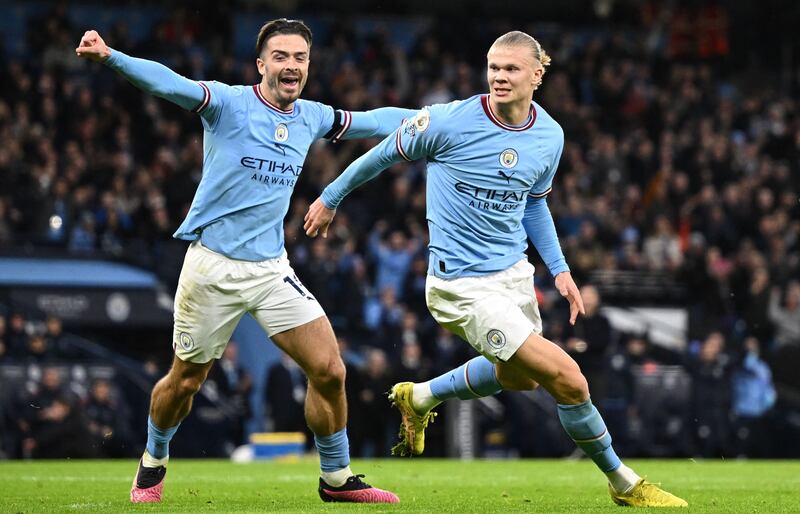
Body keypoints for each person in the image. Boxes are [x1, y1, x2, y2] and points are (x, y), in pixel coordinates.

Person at [305, 31, 687, 507]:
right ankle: (624, 482)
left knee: (519, 378)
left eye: (510, 69)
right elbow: (381, 154)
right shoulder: (449, 120)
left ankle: (421, 397)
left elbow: (534, 205)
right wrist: (329, 197)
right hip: (460, 285)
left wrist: (561, 270)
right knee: (567, 377)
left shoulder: (550, 135)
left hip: (514, 276)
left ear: (537, 75)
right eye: (493, 68)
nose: (499, 77)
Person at [76, 18, 411, 504]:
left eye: (299, 58)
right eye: (281, 57)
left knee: (331, 370)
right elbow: (170, 84)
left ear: (308, 65)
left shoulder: (312, 115)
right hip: (211, 268)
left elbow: (372, 120)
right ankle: (153, 460)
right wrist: (112, 57)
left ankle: (336, 478)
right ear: (261, 65)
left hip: (271, 270)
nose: (291, 65)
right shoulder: (230, 104)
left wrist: (434, 116)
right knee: (185, 381)